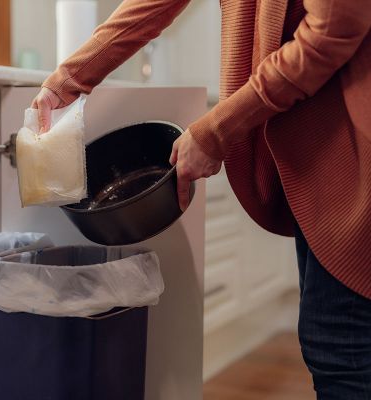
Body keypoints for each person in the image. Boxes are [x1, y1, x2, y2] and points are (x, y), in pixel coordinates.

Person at [31, 0, 371, 398]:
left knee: (343, 350)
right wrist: (67, 79)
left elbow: (331, 31)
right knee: (336, 344)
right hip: (325, 155)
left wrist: (217, 128)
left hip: (356, 148)